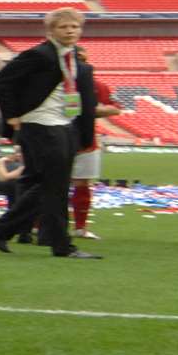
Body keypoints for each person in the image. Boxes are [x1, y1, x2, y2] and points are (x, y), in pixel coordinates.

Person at [0, 8, 100, 259]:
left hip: (64, 125)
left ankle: (0, 229)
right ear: (51, 31)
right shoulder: (39, 54)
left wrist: (83, 134)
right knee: (54, 187)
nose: (70, 31)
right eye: (63, 27)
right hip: (40, 124)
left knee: (48, 185)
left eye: (74, 27)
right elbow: (2, 80)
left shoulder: (73, 59)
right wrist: (12, 115)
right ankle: (61, 246)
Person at [69, 55, 121, 241]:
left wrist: (88, 110)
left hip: (86, 141)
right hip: (55, 138)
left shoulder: (96, 85)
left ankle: (80, 228)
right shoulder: (53, 82)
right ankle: (38, 225)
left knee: (83, 183)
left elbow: (115, 108)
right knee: (49, 184)